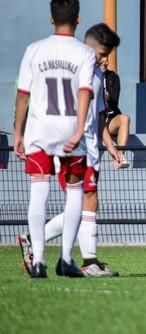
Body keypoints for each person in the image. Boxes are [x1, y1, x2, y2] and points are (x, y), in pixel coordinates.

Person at [17, 23, 123, 277]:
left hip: (89, 147)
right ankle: (89, 261)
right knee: (88, 199)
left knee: (87, 202)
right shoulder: (74, 70)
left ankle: (35, 239)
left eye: (106, 55)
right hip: (71, 147)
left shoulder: (96, 75)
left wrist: (110, 145)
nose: (103, 60)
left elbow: (98, 118)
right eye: (101, 54)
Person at [13, 0, 96, 278]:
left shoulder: (34, 49)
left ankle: (38, 261)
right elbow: (85, 91)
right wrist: (79, 129)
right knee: (74, 192)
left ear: (51, 18)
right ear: (78, 19)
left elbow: (23, 94)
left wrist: (17, 132)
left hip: (38, 131)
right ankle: (65, 259)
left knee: (39, 190)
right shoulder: (85, 53)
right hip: (70, 131)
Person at [98, 27, 130, 168]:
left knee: (125, 118)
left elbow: (114, 99)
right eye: (102, 59)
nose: (105, 62)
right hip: (96, 120)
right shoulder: (89, 75)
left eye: (107, 60)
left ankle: (121, 155)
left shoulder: (113, 77)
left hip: (110, 118)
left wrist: (106, 95)